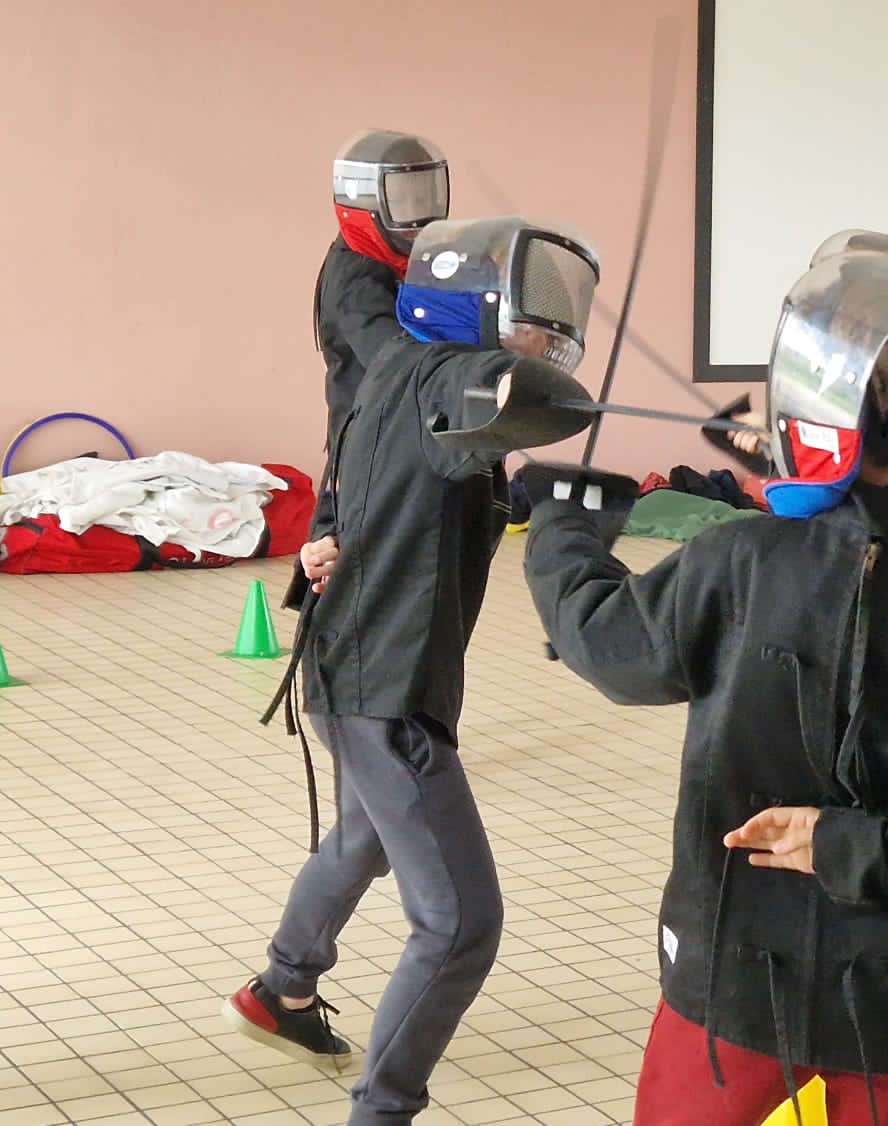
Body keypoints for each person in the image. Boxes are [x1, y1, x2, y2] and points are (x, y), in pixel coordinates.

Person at [514, 251, 888, 1125]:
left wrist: (563, 526)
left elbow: (608, 645)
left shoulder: (735, 561)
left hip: (737, 970)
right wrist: (861, 845)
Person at [222, 216, 604, 1124]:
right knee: (461, 924)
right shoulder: (453, 379)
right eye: (524, 313)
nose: (540, 330)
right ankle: (382, 1109)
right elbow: (544, 397)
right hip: (384, 696)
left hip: (351, 667)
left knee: (364, 837)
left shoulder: (388, 364)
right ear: (466, 303)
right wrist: (568, 401)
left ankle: (281, 988)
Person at [706, 230, 888, 546]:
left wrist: (785, 439)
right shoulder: (840, 342)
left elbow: (861, 444)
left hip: (871, 528)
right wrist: (777, 437)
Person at [287, 130, 452, 611]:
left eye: (425, 195)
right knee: (342, 571)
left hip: (394, 435)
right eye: (402, 199)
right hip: (366, 442)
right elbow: (396, 358)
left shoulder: (409, 262)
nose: (417, 215)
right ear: (361, 201)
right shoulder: (355, 275)